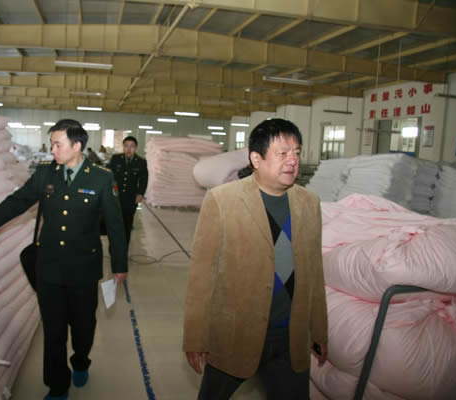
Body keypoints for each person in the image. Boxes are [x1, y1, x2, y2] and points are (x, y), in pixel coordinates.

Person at [0, 119, 128, 400]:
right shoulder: (46, 173)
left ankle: (81, 360)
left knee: (83, 327)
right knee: (54, 330)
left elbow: (116, 225)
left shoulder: (101, 178)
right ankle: (57, 386)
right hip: (49, 266)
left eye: (57, 145)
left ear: (77, 145)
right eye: (52, 145)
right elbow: (17, 201)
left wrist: (120, 266)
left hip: (83, 269)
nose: (52, 150)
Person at [182, 118, 328, 400]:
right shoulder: (222, 200)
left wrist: (319, 330)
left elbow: (314, 272)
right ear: (256, 159)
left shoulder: (309, 203)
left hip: (290, 336)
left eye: (296, 153)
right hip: (237, 332)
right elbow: (202, 275)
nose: (292, 161)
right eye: (282, 153)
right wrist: (196, 337)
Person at [108, 136, 148, 248]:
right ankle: (113, 249)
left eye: (132, 146)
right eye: (126, 146)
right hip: (115, 197)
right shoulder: (116, 159)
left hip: (130, 199)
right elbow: (109, 176)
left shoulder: (141, 162)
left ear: (136, 148)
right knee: (114, 225)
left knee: (127, 225)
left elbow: (144, 179)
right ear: (123, 147)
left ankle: (123, 250)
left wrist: (140, 193)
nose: (128, 149)